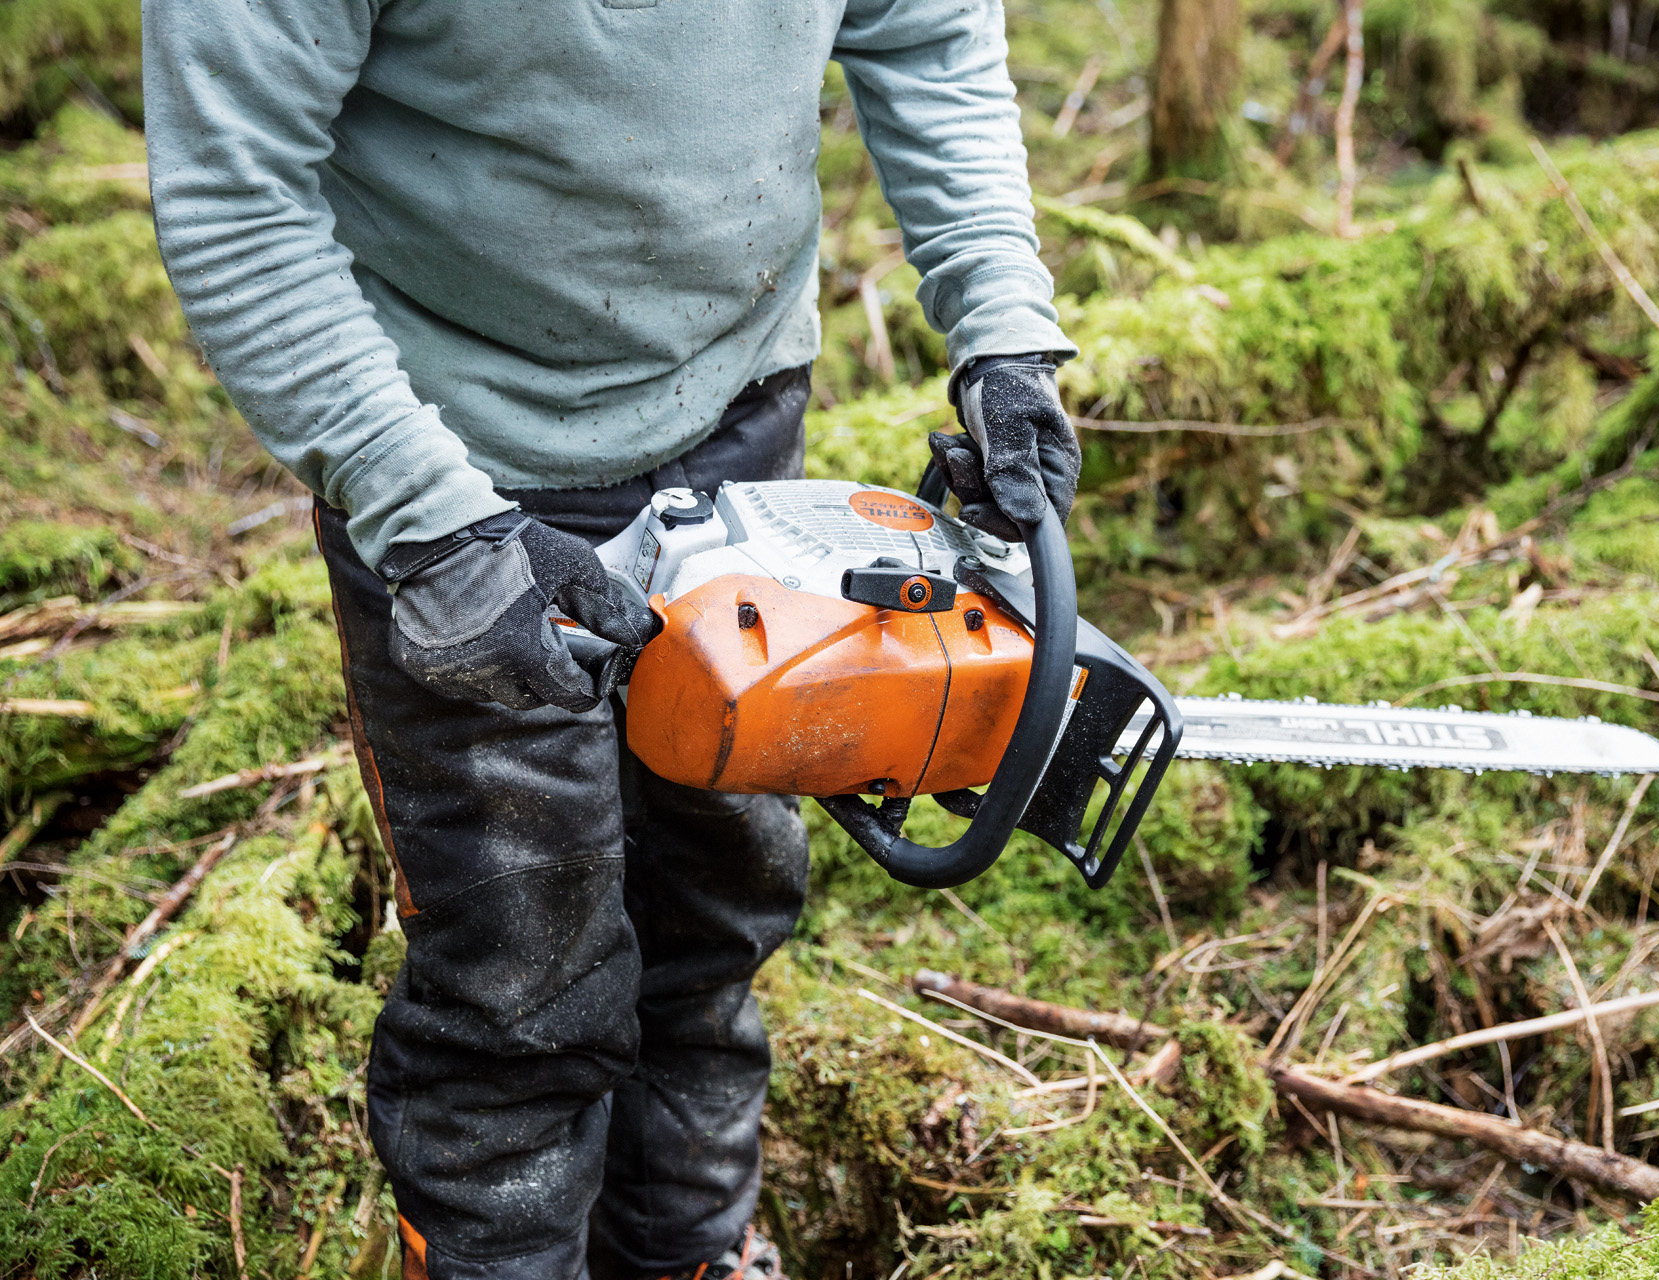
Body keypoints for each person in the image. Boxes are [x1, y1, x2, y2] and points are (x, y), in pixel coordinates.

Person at [143, 1, 1080, 1276]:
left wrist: (1004, 323)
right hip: (457, 470)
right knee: (520, 984)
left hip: (737, 411)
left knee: (712, 916)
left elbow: (926, 34)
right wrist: (430, 524)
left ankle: (685, 1249)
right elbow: (234, 195)